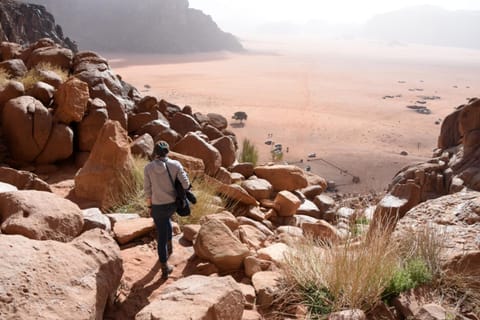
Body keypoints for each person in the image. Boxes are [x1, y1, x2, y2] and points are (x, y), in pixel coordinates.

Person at [144, 141, 190, 278]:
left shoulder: (148, 168)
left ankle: (164, 268)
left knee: (161, 236)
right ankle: (170, 248)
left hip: (158, 206)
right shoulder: (175, 165)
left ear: (155, 153)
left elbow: (147, 191)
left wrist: (149, 206)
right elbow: (186, 185)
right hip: (172, 205)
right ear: (167, 152)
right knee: (167, 221)